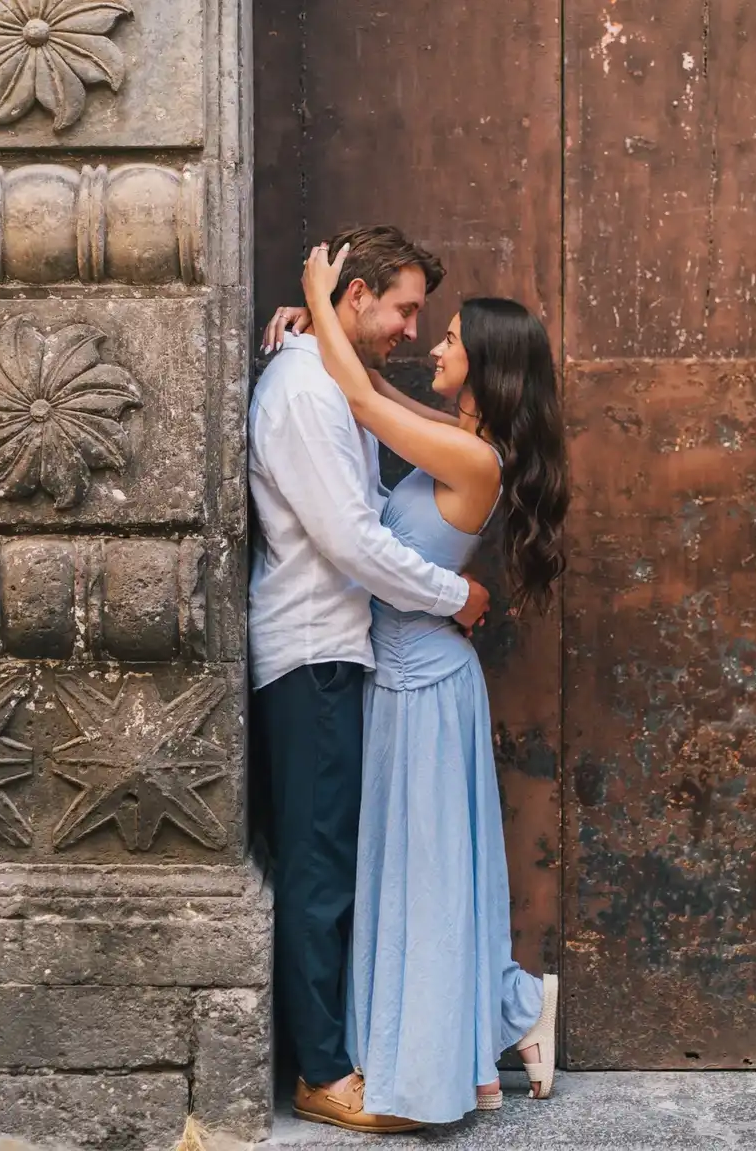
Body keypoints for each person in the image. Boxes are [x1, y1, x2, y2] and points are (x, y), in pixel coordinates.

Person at [268, 239, 570, 1126]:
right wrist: (310, 330)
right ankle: (504, 1012)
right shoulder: (458, 438)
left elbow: (362, 396)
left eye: (448, 341)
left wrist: (315, 293)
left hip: (427, 686)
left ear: (485, 367)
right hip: (397, 680)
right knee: (411, 875)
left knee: (431, 879)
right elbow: (374, 392)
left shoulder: (475, 460)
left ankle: (451, 1050)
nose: (429, 347)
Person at [248, 226, 491, 1133]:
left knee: (327, 860)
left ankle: (336, 1051)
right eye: (402, 306)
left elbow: (377, 425)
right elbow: (352, 542)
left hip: (336, 652)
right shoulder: (308, 392)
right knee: (318, 868)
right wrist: (452, 596)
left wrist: (311, 323)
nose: (409, 327)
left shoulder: (326, 377)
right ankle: (321, 1073)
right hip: (312, 652)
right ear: (355, 298)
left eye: (422, 313)